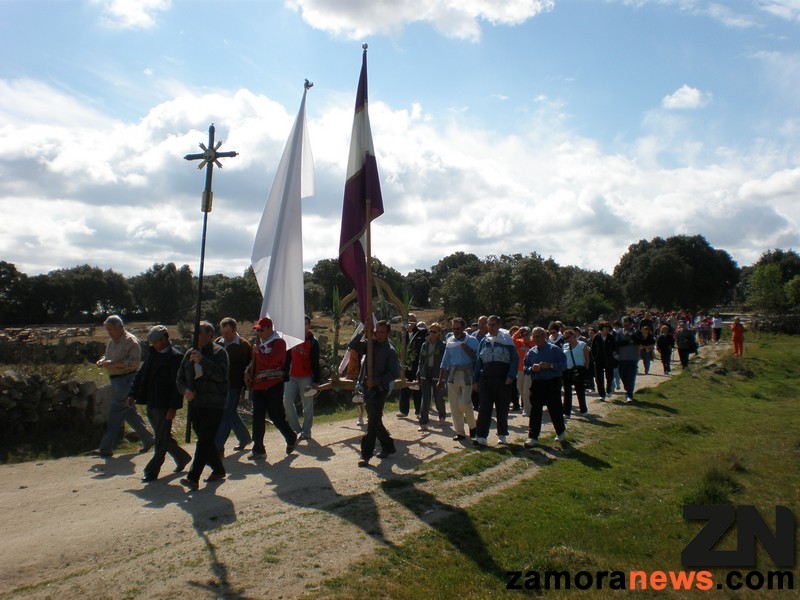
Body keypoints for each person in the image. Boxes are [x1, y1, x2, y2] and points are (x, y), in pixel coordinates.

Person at [129, 325, 191, 482]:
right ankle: (182, 457)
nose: (154, 345)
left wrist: (173, 407)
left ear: (164, 338)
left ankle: (151, 471)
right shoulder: (152, 355)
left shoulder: (175, 357)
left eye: (156, 341)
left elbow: (176, 385)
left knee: (161, 440)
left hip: (165, 404)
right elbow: (141, 375)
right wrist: (132, 394)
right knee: (162, 436)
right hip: (151, 402)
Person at [176, 321, 229, 490]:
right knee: (206, 440)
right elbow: (180, 379)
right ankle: (219, 469)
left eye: (199, 332)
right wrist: (185, 391)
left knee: (204, 439)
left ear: (209, 335)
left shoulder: (219, 352)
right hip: (196, 404)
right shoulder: (189, 354)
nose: (196, 336)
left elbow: (221, 375)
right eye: (195, 332)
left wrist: (203, 360)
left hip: (214, 404)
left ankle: (193, 477)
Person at [92, 315, 154, 457]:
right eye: (107, 329)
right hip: (116, 380)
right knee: (128, 412)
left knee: (115, 412)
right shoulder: (113, 341)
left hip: (127, 380)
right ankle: (148, 438)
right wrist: (102, 361)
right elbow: (108, 356)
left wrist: (113, 364)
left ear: (119, 327)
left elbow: (134, 363)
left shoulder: (131, 341)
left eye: (110, 329)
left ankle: (105, 447)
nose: (108, 332)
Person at [246, 317, 298, 460]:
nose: (259, 332)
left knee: (276, 416)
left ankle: (290, 436)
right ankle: (258, 448)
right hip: (258, 386)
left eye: (261, 330)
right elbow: (254, 363)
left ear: (269, 328)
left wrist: (258, 353)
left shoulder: (279, 343)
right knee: (257, 416)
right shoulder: (259, 344)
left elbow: (271, 361)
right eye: (257, 330)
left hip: (274, 384)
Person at [357, 320, 400, 467]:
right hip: (366, 388)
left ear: (388, 333)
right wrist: (364, 331)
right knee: (374, 419)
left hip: (379, 390)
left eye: (382, 332)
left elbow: (394, 373)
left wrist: (375, 381)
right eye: (377, 331)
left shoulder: (390, 351)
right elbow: (353, 346)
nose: (379, 335)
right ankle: (388, 445)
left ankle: (366, 454)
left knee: (372, 422)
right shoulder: (371, 345)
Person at [472, 315, 516, 447]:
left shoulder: (507, 341)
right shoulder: (483, 341)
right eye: (488, 325)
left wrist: (511, 375)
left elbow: (514, 359)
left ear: (498, 326)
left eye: (492, 325)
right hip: (486, 379)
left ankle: (502, 435)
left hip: (503, 379)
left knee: (502, 407)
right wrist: (476, 379)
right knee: (484, 407)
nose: (489, 327)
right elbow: (479, 361)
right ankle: (481, 437)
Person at [214, 317, 253, 454]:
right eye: (222, 332)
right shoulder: (217, 343)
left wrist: (245, 388)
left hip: (235, 385)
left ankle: (218, 446)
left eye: (227, 332)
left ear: (234, 330)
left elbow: (249, 367)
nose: (224, 335)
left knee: (226, 414)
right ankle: (244, 438)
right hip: (220, 385)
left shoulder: (244, 346)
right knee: (230, 412)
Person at [523, 327, 567, 447]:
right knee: (535, 411)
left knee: (555, 409)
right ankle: (533, 437)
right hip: (537, 384)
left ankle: (560, 432)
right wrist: (532, 368)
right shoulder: (531, 352)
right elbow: (525, 368)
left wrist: (550, 365)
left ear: (544, 337)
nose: (536, 339)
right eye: (534, 336)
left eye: (538, 336)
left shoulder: (554, 349)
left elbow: (563, 365)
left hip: (551, 382)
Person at [437, 317, 479, 441]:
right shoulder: (450, 341)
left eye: (458, 328)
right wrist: (440, 379)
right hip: (453, 375)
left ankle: (472, 426)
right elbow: (444, 362)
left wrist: (468, 350)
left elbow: (478, 358)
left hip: (467, 375)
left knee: (465, 403)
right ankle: (460, 432)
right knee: (454, 405)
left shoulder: (471, 341)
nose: (455, 331)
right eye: (453, 329)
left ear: (463, 328)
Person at [283, 315, 321, 441]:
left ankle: (306, 431)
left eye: (305, 324)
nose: (302, 326)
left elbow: (315, 362)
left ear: (309, 325)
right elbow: (287, 358)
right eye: (300, 324)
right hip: (291, 376)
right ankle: (295, 429)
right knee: (287, 401)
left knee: (307, 406)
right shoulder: (292, 339)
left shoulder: (313, 341)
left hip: (306, 377)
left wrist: (316, 381)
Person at [416, 322, 446, 431]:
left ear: (439, 333)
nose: (432, 333)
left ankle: (442, 416)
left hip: (437, 373)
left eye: (434, 332)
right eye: (430, 331)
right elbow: (421, 360)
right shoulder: (425, 345)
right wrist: (419, 373)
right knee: (425, 398)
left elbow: (444, 361)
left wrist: (442, 377)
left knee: (438, 397)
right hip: (425, 373)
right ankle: (423, 422)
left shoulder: (442, 346)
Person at [397, 314, 424, 418]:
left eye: (413, 320)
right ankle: (403, 410)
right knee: (404, 387)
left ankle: (419, 411)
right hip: (405, 365)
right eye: (409, 320)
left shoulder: (420, 333)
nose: (411, 323)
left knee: (417, 387)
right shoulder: (402, 334)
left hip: (417, 364)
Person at [562, 327, 591, 418]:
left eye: (568, 337)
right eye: (565, 338)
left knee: (580, 391)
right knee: (567, 392)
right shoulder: (565, 346)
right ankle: (567, 412)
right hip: (567, 371)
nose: (567, 340)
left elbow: (587, 359)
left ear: (574, 336)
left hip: (579, 370)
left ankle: (583, 410)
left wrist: (585, 370)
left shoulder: (582, 345)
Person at [615, 316, 642, 402]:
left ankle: (629, 394)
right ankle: (628, 388)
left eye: (627, 325)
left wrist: (631, 335)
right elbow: (618, 343)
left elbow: (639, 342)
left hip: (632, 358)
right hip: (622, 358)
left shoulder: (636, 332)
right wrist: (629, 342)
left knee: (631, 376)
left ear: (631, 324)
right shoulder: (619, 332)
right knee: (622, 375)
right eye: (624, 325)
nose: (626, 327)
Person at [590, 321, 617, 401]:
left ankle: (608, 390)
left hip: (608, 359)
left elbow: (615, 348)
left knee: (610, 376)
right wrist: (594, 358)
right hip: (598, 360)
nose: (607, 329)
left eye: (608, 327)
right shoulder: (596, 337)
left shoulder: (611, 337)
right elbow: (593, 348)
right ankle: (602, 394)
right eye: (606, 327)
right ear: (602, 328)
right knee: (599, 377)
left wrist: (614, 357)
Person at [512, 326, 534, 415]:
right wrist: (518, 331)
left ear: (530, 334)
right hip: (520, 369)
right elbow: (512, 340)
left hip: (530, 370)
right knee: (520, 388)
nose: (525, 336)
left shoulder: (534, 342)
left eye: (527, 334)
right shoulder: (520, 342)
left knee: (526, 390)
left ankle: (526, 409)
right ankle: (529, 404)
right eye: (523, 334)